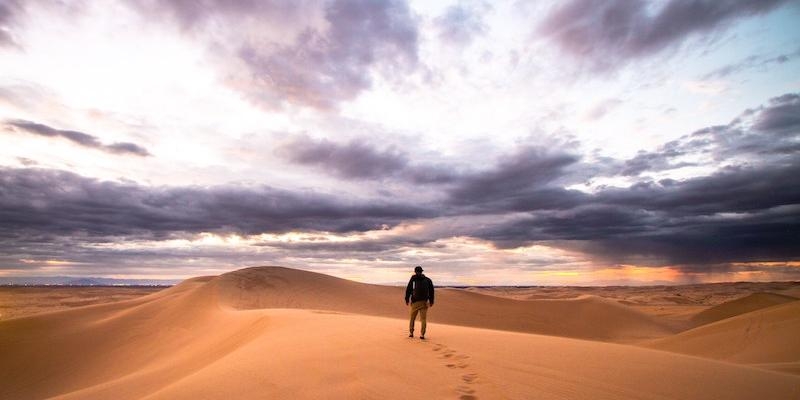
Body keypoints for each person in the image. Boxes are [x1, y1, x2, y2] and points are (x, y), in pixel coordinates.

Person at [405, 265, 434, 339]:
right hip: (424, 302)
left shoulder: (413, 279)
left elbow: (409, 289)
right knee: (423, 319)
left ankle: (411, 333)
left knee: (412, 318)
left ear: (415, 271)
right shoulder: (428, 280)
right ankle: (422, 334)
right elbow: (431, 291)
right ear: (421, 272)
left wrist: (407, 299)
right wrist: (431, 301)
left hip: (415, 302)